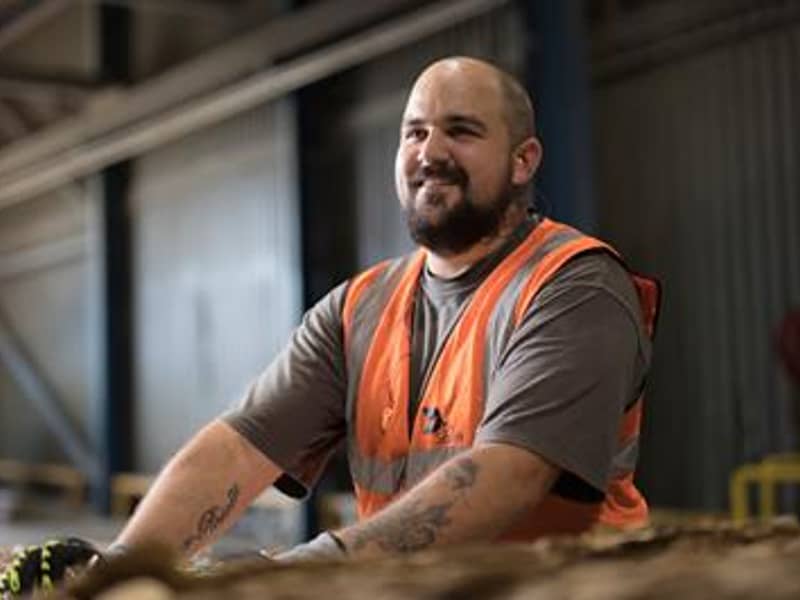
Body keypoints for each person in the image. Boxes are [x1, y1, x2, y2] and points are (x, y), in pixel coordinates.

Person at [0, 55, 659, 592]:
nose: (430, 151)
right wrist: (120, 570)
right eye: (414, 132)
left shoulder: (574, 286)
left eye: (461, 131)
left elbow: (510, 473)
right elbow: (238, 447)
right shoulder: (360, 308)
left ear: (523, 160)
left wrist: (295, 573)